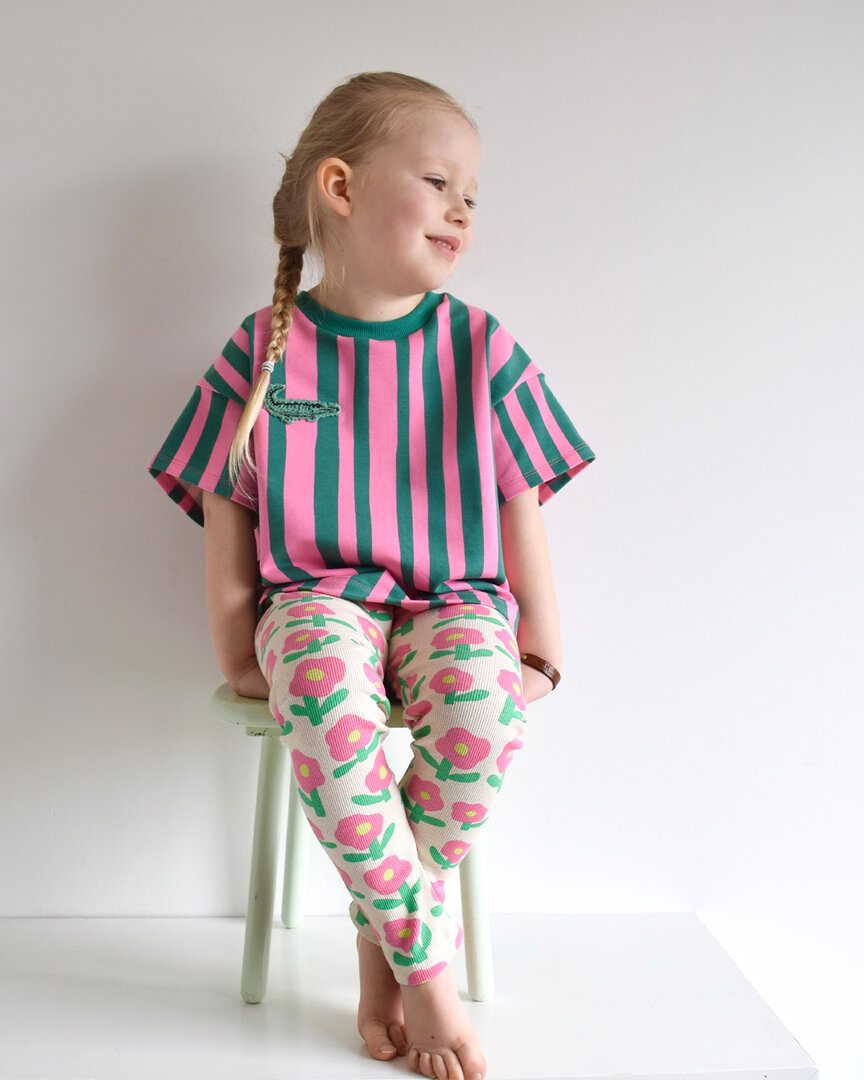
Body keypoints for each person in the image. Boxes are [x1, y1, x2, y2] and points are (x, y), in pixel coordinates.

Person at [148, 71, 595, 1080]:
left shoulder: (480, 347)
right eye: (438, 182)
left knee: (483, 708)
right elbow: (226, 504)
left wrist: (541, 651)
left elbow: (521, 502)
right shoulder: (264, 350)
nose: (462, 210)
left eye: (471, 194)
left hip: (457, 600)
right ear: (342, 187)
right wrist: (237, 650)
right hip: (316, 603)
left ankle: (382, 939)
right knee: (318, 688)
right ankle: (426, 968)